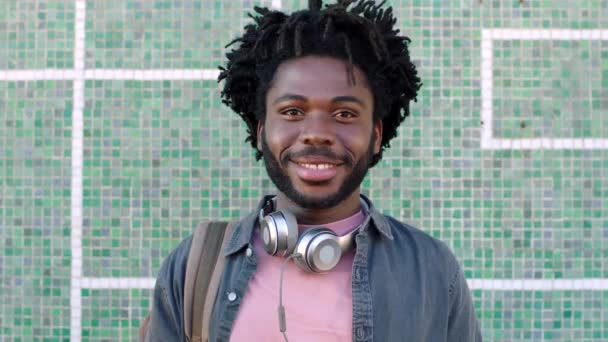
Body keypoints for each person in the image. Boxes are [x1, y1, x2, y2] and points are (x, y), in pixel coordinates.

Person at [145, 0, 482, 341]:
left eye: (345, 114)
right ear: (261, 131)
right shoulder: (196, 265)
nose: (316, 132)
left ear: (376, 135)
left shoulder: (432, 271)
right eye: (292, 111)